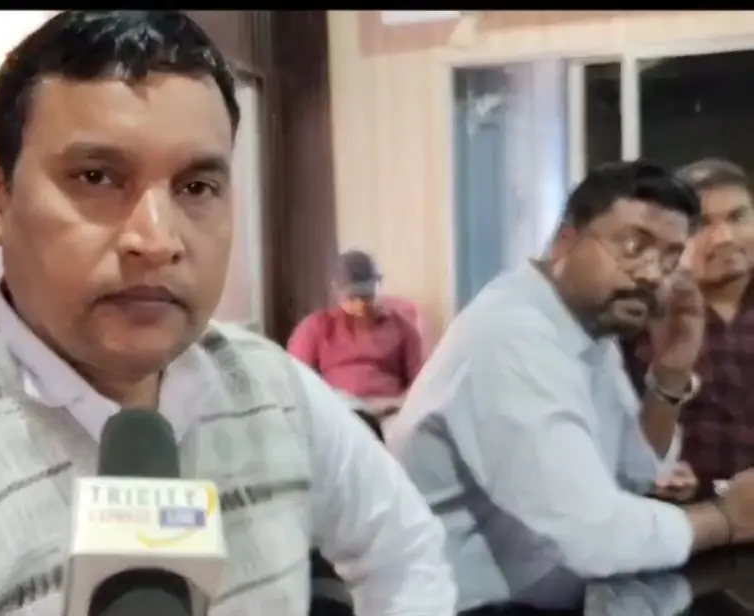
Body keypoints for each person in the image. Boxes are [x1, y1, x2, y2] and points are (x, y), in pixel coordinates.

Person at [0, 11, 455, 616]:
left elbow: (408, 555)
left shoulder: (274, 388)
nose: (156, 239)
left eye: (197, 188)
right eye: (97, 177)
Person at [385, 160, 754, 612]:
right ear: (566, 238)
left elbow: (635, 473)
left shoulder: (586, 328)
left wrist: (671, 371)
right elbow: (593, 537)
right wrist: (727, 520)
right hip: (463, 603)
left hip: (547, 592)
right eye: (634, 245)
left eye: (669, 258)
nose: (651, 274)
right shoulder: (510, 337)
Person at [624, 158, 754, 489]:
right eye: (702, 225)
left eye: (738, 217)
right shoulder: (641, 319)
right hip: (680, 512)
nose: (724, 238)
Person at [287, 250, 424, 418]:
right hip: (339, 412)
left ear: (378, 287)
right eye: (352, 298)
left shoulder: (402, 328)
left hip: (389, 410)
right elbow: (295, 379)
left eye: (366, 297)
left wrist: (399, 405)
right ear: (337, 293)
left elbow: (421, 384)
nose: (360, 305)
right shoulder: (316, 327)